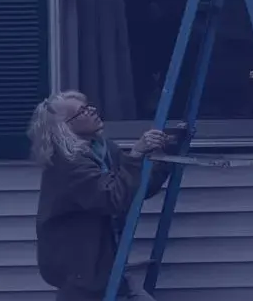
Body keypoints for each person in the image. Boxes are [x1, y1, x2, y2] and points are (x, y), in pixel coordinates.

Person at [28, 91, 174, 301]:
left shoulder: (102, 148)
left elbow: (133, 188)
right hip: (80, 267)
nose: (93, 111)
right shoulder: (68, 163)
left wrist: (164, 156)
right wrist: (135, 155)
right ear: (66, 127)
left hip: (105, 264)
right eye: (83, 111)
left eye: (88, 106)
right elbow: (111, 198)